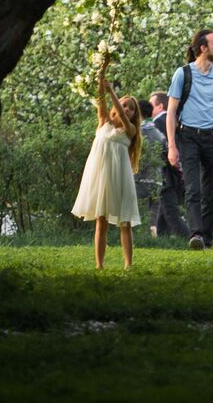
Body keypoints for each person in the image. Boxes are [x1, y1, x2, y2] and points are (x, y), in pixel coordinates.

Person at [165, 29, 213, 250]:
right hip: (188, 138)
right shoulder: (182, 74)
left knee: (210, 192)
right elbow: (170, 112)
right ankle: (195, 235)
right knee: (193, 189)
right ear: (203, 48)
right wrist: (172, 147)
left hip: (212, 138)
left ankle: (207, 238)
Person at [71, 61, 143, 270]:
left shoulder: (130, 130)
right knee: (100, 220)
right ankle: (99, 265)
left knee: (125, 221)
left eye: (131, 108)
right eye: (125, 105)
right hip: (101, 176)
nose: (127, 109)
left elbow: (119, 112)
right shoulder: (103, 121)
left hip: (119, 176)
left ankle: (128, 264)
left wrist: (113, 92)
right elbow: (101, 97)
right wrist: (103, 68)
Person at [148, 93, 190, 239]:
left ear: (160, 106)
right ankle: (162, 242)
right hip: (177, 174)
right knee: (163, 215)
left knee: (171, 214)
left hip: (167, 175)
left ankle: (191, 240)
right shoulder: (175, 121)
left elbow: (162, 149)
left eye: (151, 104)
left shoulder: (159, 122)